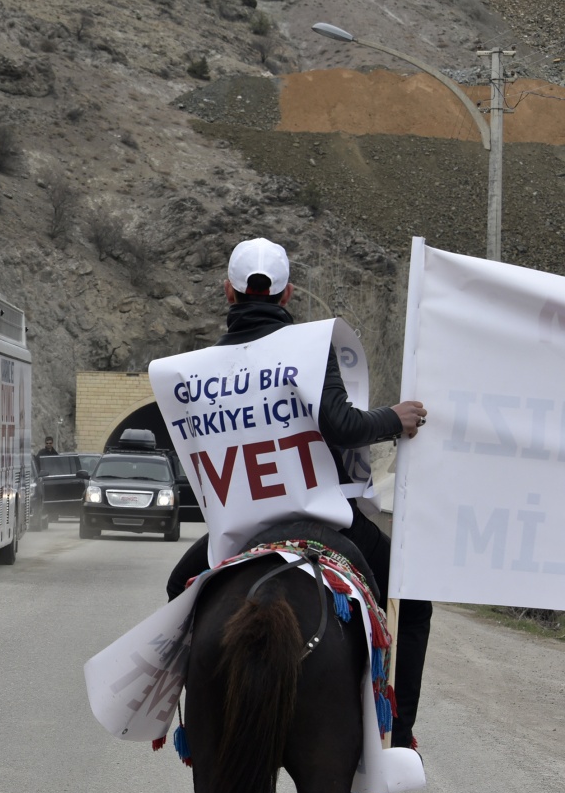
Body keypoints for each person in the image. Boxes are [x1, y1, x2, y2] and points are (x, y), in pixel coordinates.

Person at [163, 237, 431, 750]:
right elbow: (341, 424)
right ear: (287, 296)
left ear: (229, 292)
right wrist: (393, 419)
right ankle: (397, 733)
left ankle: (196, 723)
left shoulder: (192, 371)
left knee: (181, 587)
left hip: (242, 526)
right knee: (413, 598)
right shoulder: (309, 346)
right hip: (323, 519)